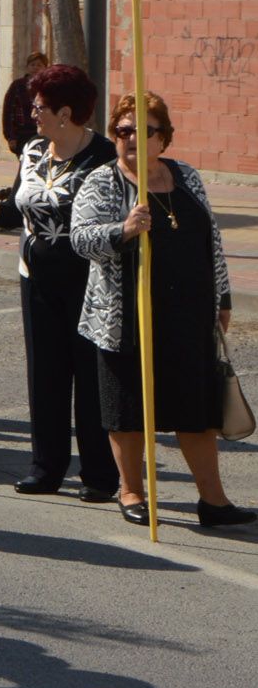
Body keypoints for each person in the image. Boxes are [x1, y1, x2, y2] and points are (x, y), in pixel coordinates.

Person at [70, 92, 252, 529]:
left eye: (142, 130)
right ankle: (131, 490)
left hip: (188, 315)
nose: (130, 138)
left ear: (164, 138)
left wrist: (222, 299)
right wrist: (123, 229)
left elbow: (213, 244)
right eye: (123, 131)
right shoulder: (103, 182)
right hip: (125, 318)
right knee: (127, 411)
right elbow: (80, 239)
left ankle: (213, 500)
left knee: (197, 411)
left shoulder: (185, 176)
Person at [0, 64, 119, 501]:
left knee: (90, 380)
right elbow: (16, 212)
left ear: (66, 112)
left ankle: (100, 475)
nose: (33, 114)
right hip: (36, 280)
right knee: (45, 377)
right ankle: (46, 467)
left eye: (39, 107)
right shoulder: (32, 151)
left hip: (90, 282)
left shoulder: (103, 157)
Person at [2, 52, 48, 156]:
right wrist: (10, 136)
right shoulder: (17, 85)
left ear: (45, 68)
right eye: (32, 65)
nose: (35, 68)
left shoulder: (47, 86)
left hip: (43, 132)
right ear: (27, 67)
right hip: (22, 134)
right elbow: (8, 111)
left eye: (39, 65)